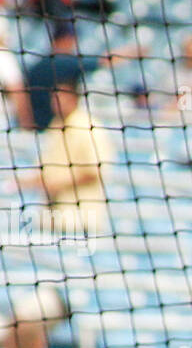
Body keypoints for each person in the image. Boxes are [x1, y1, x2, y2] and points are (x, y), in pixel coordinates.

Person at [20, 77, 114, 237]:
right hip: (54, 219)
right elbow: (46, 169)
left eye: (61, 97)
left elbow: (94, 172)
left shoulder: (88, 126)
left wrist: (56, 184)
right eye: (54, 97)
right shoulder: (56, 125)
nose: (56, 102)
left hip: (81, 221)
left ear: (74, 98)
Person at [24, 21, 137, 133]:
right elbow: (104, 60)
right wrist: (132, 52)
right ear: (67, 39)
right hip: (56, 128)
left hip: (36, 128)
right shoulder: (65, 62)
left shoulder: (37, 66)